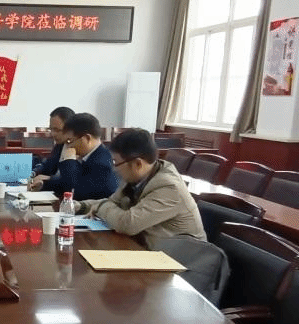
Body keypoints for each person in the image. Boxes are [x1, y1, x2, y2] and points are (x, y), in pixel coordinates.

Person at [75, 128, 205, 246]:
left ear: (137, 164)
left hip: (180, 258)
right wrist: (81, 206)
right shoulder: (136, 177)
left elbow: (127, 224)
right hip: (148, 249)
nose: (114, 169)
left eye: (116, 162)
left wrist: (100, 207)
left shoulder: (169, 187)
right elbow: (112, 203)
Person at [35, 112, 119, 201]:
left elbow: (74, 191)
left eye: (69, 141)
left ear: (87, 138)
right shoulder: (91, 155)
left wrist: (69, 160)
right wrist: (43, 185)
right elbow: (70, 181)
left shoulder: (101, 164)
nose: (68, 146)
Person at [29, 105, 74, 183]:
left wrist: (49, 179)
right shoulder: (59, 145)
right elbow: (47, 166)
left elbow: (71, 180)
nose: (53, 134)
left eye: (57, 130)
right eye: (51, 129)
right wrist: (34, 173)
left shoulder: (79, 149)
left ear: (71, 128)